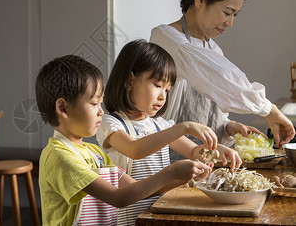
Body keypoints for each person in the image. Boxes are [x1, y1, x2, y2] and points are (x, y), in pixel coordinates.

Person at [36, 54, 212, 226]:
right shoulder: (59, 156)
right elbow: (118, 197)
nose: (101, 111)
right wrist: (171, 172)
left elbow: (139, 190)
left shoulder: (94, 153)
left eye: (100, 103)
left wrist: (187, 177)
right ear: (63, 108)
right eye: (93, 103)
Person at [150, 0, 295, 151]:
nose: (230, 23)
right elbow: (220, 76)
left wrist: (227, 127)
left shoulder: (213, 48)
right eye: (227, 13)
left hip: (205, 158)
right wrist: (269, 109)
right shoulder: (167, 38)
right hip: (167, 158)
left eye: (235, 15)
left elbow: (212, 103)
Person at [96, 40, 240, 225]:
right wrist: (184, 127)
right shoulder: (110, 124)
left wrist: (217, 150)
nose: (163, 96)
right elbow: (135, 150)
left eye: (167, 89)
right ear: (129, 81)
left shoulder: (161, 126)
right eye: (157, 84)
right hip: (129, 220)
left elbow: (195, 151)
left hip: (159, 214)